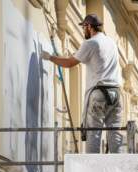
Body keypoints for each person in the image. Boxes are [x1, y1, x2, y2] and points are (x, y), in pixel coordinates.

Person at [41, 14, 123, 153]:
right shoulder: (111, 43)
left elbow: (69, 63)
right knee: (114, 134)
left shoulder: (91, 43)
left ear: (89, 27)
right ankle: (120, 167)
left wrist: (50, 57)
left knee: (93, 132)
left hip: (99, 93)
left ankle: (92, 170)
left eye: (84, 27)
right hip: (116, 93)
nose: (83, 30)